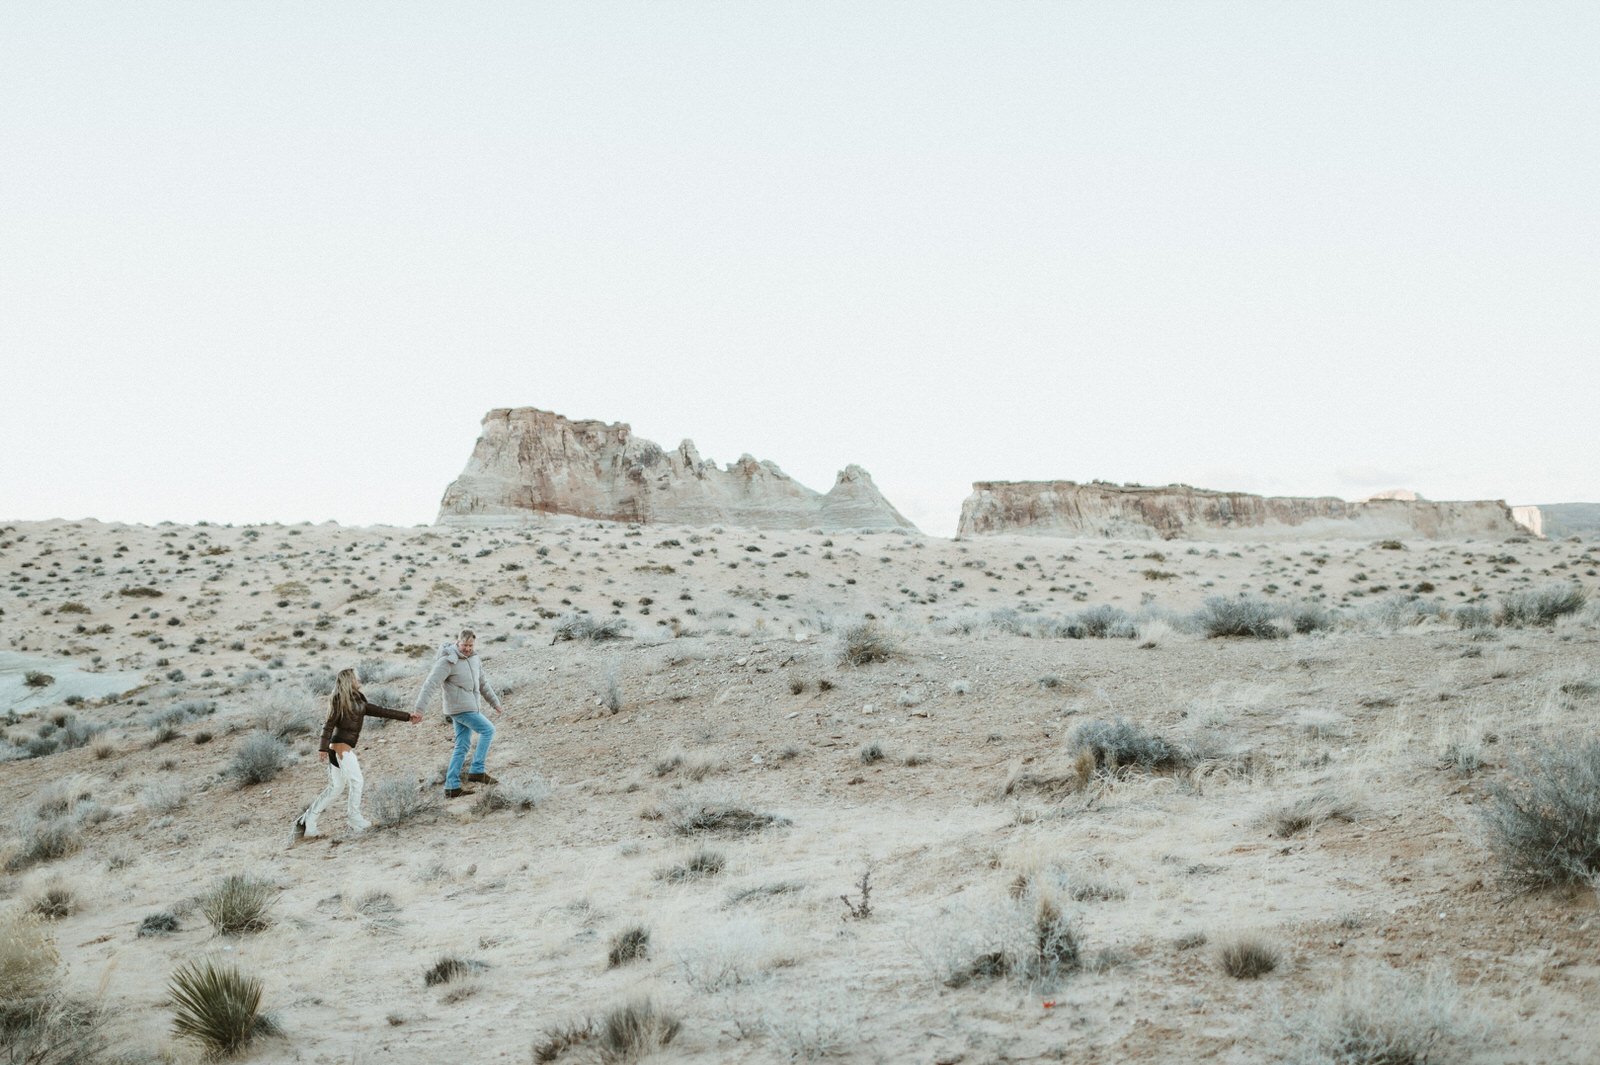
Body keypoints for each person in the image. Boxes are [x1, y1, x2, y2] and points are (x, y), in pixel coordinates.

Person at [295, 667, 422, 838]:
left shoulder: (358, 701)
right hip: (340, 749)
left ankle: (308, 820)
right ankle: (354, 818)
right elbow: (328, 725)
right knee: (357, 781)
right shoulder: (339, 701)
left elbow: (381, 711)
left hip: (340, 749)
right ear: (349, 681)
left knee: (336, 787)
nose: (359, 679)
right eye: (356, 678)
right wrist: (322, 747)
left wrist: (407, 717)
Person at [414, 628, 504, 798]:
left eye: (470, 645)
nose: (468, 649)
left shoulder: (474, 659)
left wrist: (495, 703)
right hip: (459, 708)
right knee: (488, 730)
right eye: (464, 645)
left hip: (470, 706)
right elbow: (430, 685)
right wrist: (419, 710)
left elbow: (482, 683)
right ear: (458, 642)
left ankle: (452, 786)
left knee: (462, 746)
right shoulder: (447, 661)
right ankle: (477, 770)